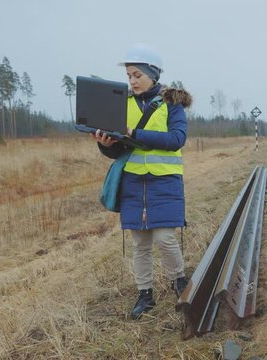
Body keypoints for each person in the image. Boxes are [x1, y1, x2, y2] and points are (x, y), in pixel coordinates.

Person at [91, 43, 192, 320]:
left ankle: (179, 281)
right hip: (134, 182)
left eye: (137, 75)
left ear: (152, 74)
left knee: (165, 238)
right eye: (129, 76)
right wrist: (105, 144)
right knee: (140, 243)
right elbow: (118, 149)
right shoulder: (121, 104)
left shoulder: (172, 103)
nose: (132, 81)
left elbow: (176, 140)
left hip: (165, 181)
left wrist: (135, 131)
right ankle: (145, 294)